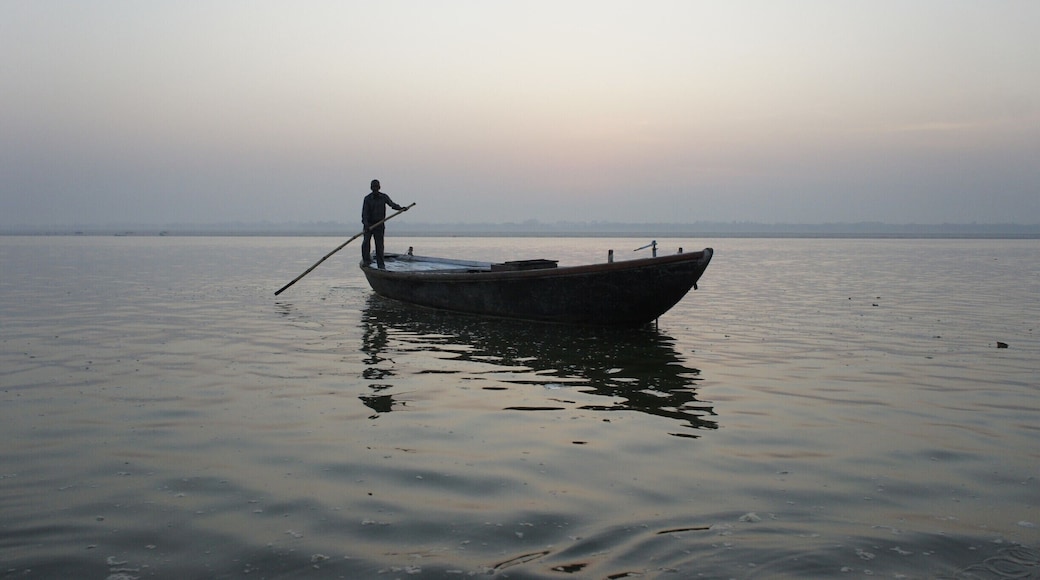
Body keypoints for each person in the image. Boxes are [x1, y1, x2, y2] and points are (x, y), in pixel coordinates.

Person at [361, 179, 406, 268]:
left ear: (379, 187)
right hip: (369, 225)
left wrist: (400, 208)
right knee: (366, 243)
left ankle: (380, 264)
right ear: (371, 188)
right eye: (373, 187)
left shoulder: (383, 197)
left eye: (376, 187)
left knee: (379, 245)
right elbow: (364, 214)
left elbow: (392, 204)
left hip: (379, 225)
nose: (375, 189)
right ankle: (366, 261)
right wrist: (366, 224)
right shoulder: (367, 199)